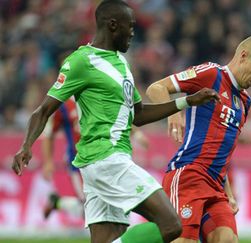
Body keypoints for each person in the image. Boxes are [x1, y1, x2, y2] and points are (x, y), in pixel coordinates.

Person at [11, 1, 220, 243]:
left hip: (103, 164)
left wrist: (187, 101)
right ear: (112, 25)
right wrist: (26, 146)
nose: (133, 32)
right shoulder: (82, 61)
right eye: (129, 26)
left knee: (111, 238)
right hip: (106, 160)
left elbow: (139, 114)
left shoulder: (122, 65)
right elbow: (43, 110)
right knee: (173, 224)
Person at [146, 35, 251, 243]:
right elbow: (156, 88)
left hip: (216, 186)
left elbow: (222, 153)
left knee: (227, 239)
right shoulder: (211, 74)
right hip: (189, 175)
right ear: (243, 56)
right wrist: (173, 113)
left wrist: (229, 193)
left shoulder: (244, 102)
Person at [41, 98, 84, 219]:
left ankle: (57, 203)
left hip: (99, 158)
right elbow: (48, 134)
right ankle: (57, 203)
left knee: (94, 206)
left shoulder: (95, 94)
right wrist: (48, 162)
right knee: (89, 206)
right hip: (76, 160)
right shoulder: (63, 104)